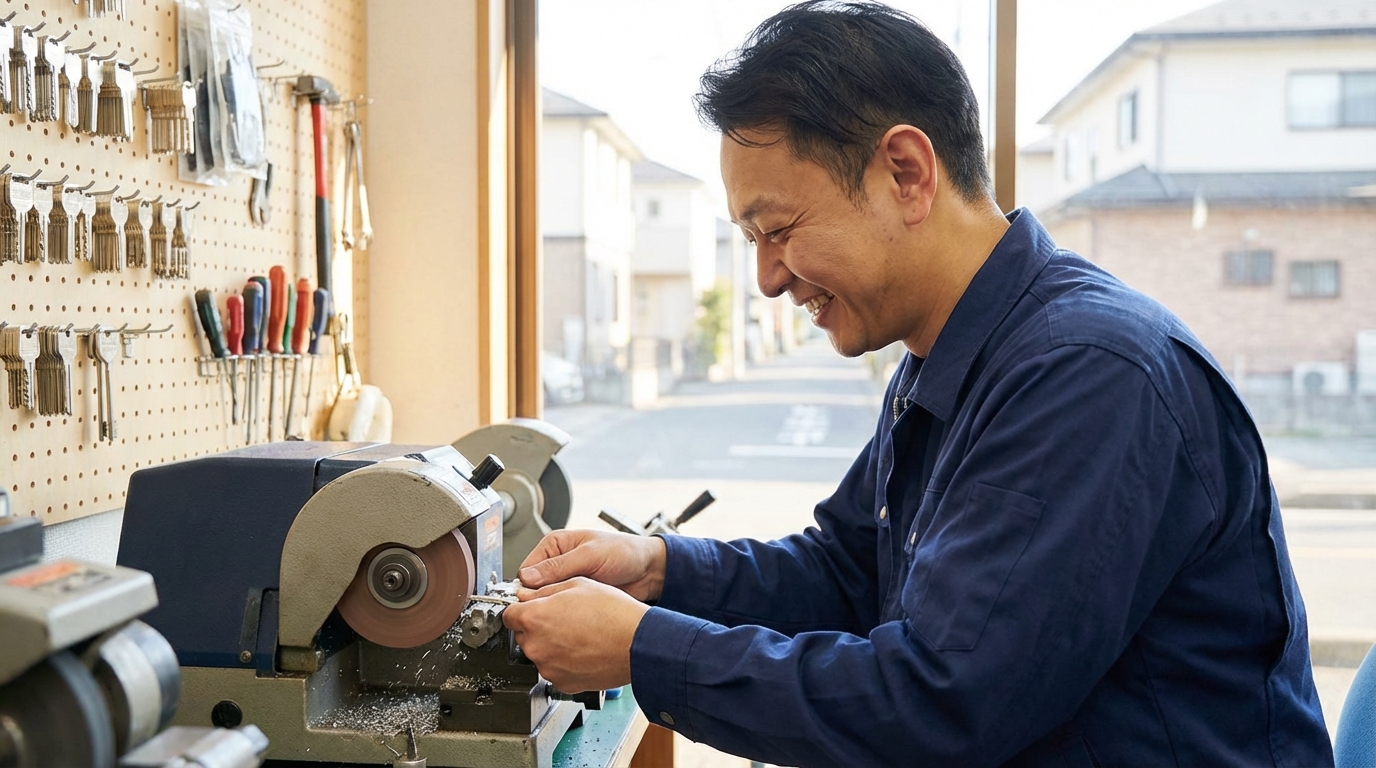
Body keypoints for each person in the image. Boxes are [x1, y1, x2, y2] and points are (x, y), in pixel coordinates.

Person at [500, 2, 1334, 765]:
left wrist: (644, 648)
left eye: (778, 231)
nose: (766, 280)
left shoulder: (1088, 375)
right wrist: (655, 571)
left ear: (905, 172)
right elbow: (849, 572)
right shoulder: (943, 358)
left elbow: (943, 704)